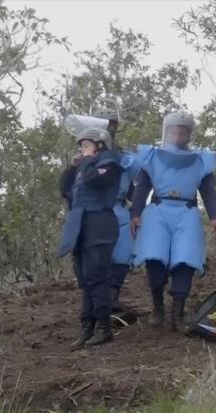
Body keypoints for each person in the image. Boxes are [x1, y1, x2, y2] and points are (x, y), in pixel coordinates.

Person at [128, 110, 216, 333]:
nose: (178, 136)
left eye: (182, 132)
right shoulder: (153, 156)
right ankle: (158, 306)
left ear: (189, 135)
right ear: (166, 132)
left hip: (187, 212)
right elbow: (142, 186)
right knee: (154, 257)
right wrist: (136, 212)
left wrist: (215, 217)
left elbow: (208, 191)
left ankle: (177, 311)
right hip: (158, 211)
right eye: (174, 132)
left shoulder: (200, 161)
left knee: (185, 260)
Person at [57, 128, 124, 349]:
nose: (82, 149)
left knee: (97, 276)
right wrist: (71, 167)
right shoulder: (84, 166)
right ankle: (87, 326)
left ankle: (103, 327)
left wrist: (85, 162)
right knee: (85, 280)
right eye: (81, 145)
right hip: (80, 226)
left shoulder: (110, 164)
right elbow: (66, 191)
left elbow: (93, 180)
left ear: (100, 144)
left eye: (86, 145)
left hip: (99, 225)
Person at [92, 102, 138, 311]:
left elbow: (131, 186)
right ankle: (98, 304)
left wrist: (138, 209)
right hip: (98, 208)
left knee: (124, 253)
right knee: (100, 258)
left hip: (120, 208)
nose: (110, 127)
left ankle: (113, 298)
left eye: (112, 122)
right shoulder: (89, 152)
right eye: (106, 122)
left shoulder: (123, 155)